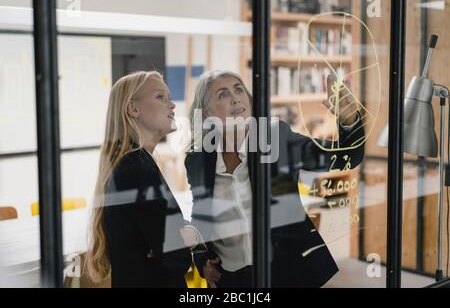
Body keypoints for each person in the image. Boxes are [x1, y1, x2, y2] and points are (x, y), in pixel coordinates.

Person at [184, 70, 365, 288]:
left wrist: (348, 121)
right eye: (222, 94)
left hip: (285, 272)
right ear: (206, 113)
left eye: (239, 89)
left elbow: (346, 157)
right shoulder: (198, 160)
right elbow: (200, 216)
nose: (236, 98)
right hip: (232, 279)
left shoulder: (274, 136)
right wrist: (202, 261)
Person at [85, 71, 191, 288]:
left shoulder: (134, 163)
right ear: (133, 109)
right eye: (160, 97)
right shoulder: (136, 169)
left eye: (169, 97)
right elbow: (176, 255)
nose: (172, 105)